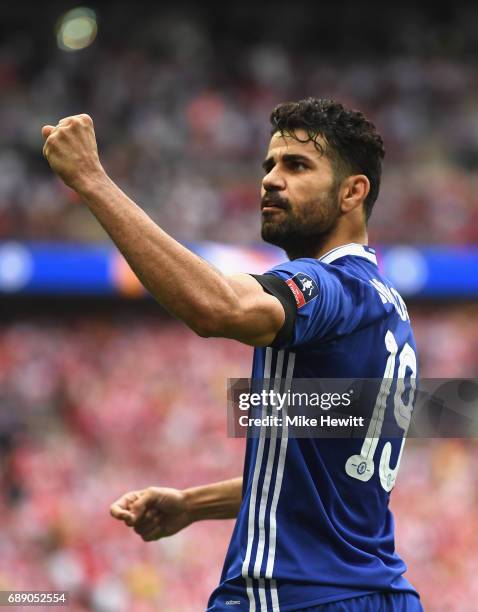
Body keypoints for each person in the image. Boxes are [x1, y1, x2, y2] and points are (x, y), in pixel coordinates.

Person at [42, 98, 423, 611]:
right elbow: (311, 474)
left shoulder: (328, 285)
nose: (269, 179)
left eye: (296, 165)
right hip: (383, 595)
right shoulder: (385, 306)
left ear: (353, 192)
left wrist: (91, 180)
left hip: (293, 596)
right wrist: (191, 504)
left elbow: (216, 308)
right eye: (269, 165)